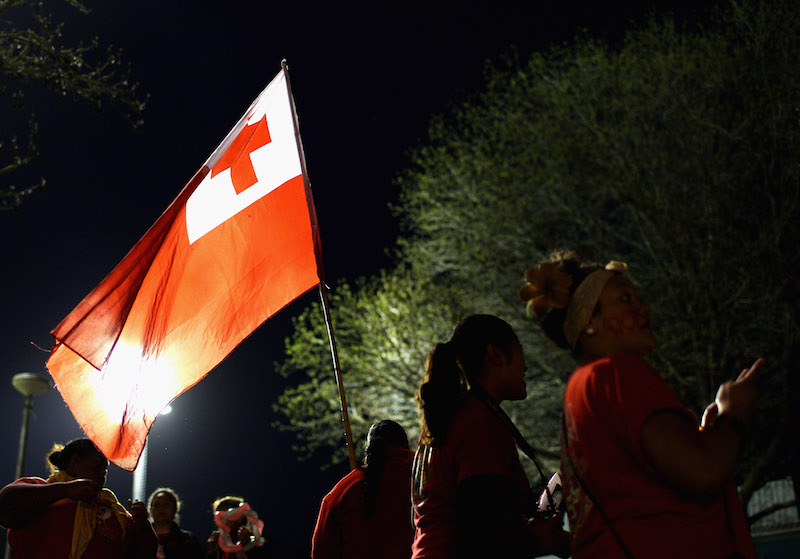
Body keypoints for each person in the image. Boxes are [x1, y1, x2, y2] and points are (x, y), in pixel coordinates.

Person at [520, 251, 762, 558]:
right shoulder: (616, 374)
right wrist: (733, 414)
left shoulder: (580, 391)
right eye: (625, 299)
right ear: (590, 322)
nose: (642, 307)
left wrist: (702, 434)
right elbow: (704, 472)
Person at [411, 314, 570, 559]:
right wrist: (538, 542)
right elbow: (481, 537)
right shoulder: (479, 424)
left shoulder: (447, 420)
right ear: (496, 354)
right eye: (520, 352)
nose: (525, 366)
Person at [0, 437, 157, 559]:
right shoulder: (40, 488)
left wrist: (143, 527)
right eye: (97, 466)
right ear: (74, 462)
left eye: (105, 469)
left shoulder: (116, 511)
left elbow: (144, 555)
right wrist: (66, 490)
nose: (103, 473)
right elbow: (5, 507)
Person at [312, 419, 415, 559]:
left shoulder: (341, 493)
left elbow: (322, 553)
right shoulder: (428, 472)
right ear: (404, 445)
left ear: (369, 450)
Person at [147, 487, 204, 559]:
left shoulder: (188, 540)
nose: (161, 508)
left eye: (166, 504)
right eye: (157, 504)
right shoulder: (140, 538)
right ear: (150, 509)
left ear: (175, 508)